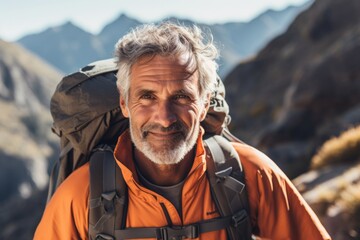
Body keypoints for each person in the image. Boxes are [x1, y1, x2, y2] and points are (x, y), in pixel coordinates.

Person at [34, 22, 331, 240]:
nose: (164, 118)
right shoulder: (81, 195)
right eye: (147, 97)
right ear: (124, 104)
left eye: (181, 97)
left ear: (203, 105)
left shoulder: (250, 173)